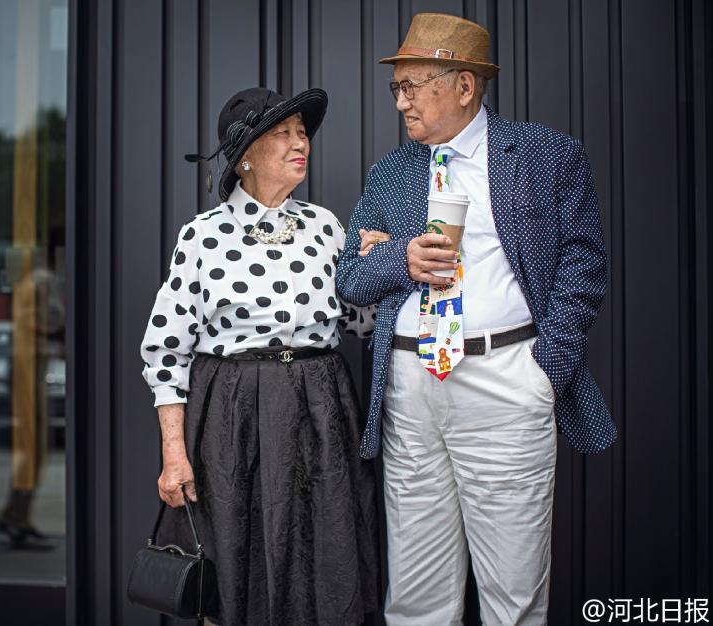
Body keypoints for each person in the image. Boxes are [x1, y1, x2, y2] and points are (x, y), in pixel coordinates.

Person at [336, 13, 618, 625]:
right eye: (396, 88)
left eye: (413, 86)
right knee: (415, 593)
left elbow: (584, 265)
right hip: (410, 387)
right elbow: (350, 279)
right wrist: (400, 258)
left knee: (513, 593)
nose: (401, 102)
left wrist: (546, 371)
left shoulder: (546, 155)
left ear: (464, 86)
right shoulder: (390, 173)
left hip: (506, 380)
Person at [140, 87, 383, 625]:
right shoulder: (203, 237)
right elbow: (166, 351)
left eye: (302, 133)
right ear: (246, 155)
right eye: (283, 133)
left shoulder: (325, 226)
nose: (301, 143)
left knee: (323, 551)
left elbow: (360, 323)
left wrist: (375, 269)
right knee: (235, 556)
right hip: (233, 416)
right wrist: (174, 454)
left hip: (320, 410)